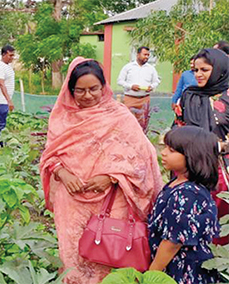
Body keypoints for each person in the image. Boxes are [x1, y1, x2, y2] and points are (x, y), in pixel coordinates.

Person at [40, 57, 162, 284]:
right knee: (74, 253)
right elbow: (50, 155)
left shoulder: (119, 116)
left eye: (94, 89)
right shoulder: (62, 117)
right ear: (70, 90)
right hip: (73, 201)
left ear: (103, 87)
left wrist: (110, 177)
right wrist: (64, 174)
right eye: (80, 90)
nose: (88, 96)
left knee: (109, 250)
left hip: (112, 200)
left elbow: (142, 158)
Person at [148, 126, 220, 284]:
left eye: (172, 150)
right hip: (173, 265)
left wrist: (152, 274)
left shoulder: (187, 194)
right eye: (165, 147)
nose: (164, 152)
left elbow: (173, 242)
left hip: (182, 271)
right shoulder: (178, 183)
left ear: (193, 155)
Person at [176, 48, 229, 245]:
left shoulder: (227, 97)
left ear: (219, 70)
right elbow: (179, 131)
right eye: (195, 70)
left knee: (221, 227)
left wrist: (221, 146)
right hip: (191, 168)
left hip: (222, 175)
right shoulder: (189, 95)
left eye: (204, 70)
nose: (198, 75)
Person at [117, 46, 160, 132]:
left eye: (148, 55)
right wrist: (131, 86)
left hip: (144, 99)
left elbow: (156, 81)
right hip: (130, 98)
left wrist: (151, 87)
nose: (146, 57)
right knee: (128, 121)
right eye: (144, 54)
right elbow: (120, 81)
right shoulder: (128, 67)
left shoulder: (151, 69)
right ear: (138, 55)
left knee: (142, 123)